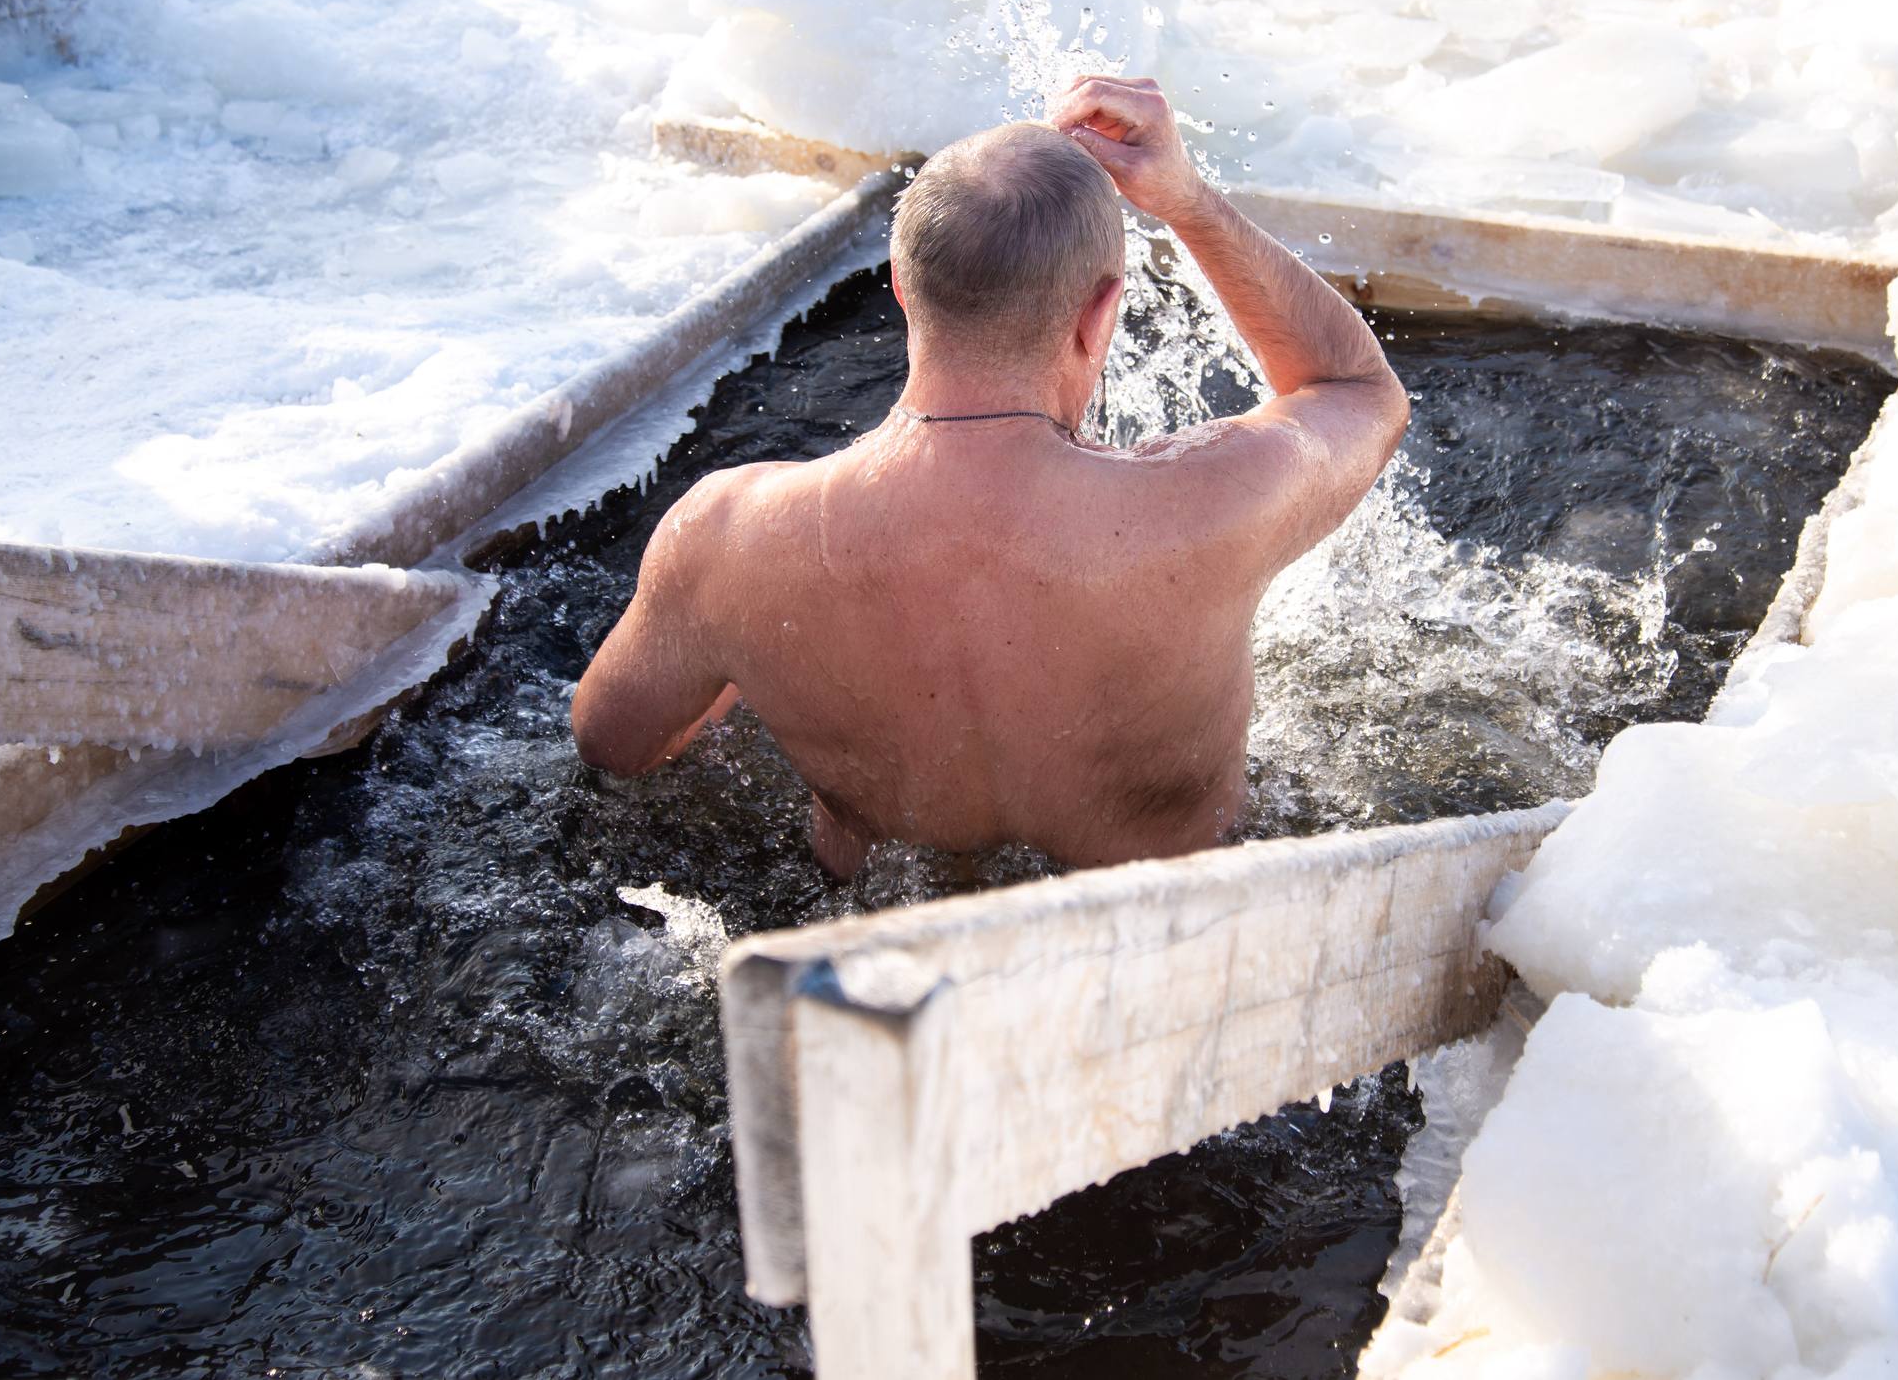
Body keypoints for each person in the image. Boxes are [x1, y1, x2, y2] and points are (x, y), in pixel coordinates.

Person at [570, 74, 1408, 876]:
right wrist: (1188, 201)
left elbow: (613, 742)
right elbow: (1358, 391)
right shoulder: (1212, 506)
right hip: (1165, 934)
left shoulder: (729, 538)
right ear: (1099, 316)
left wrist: (744, 641)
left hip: (876, 942)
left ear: (902, 290)